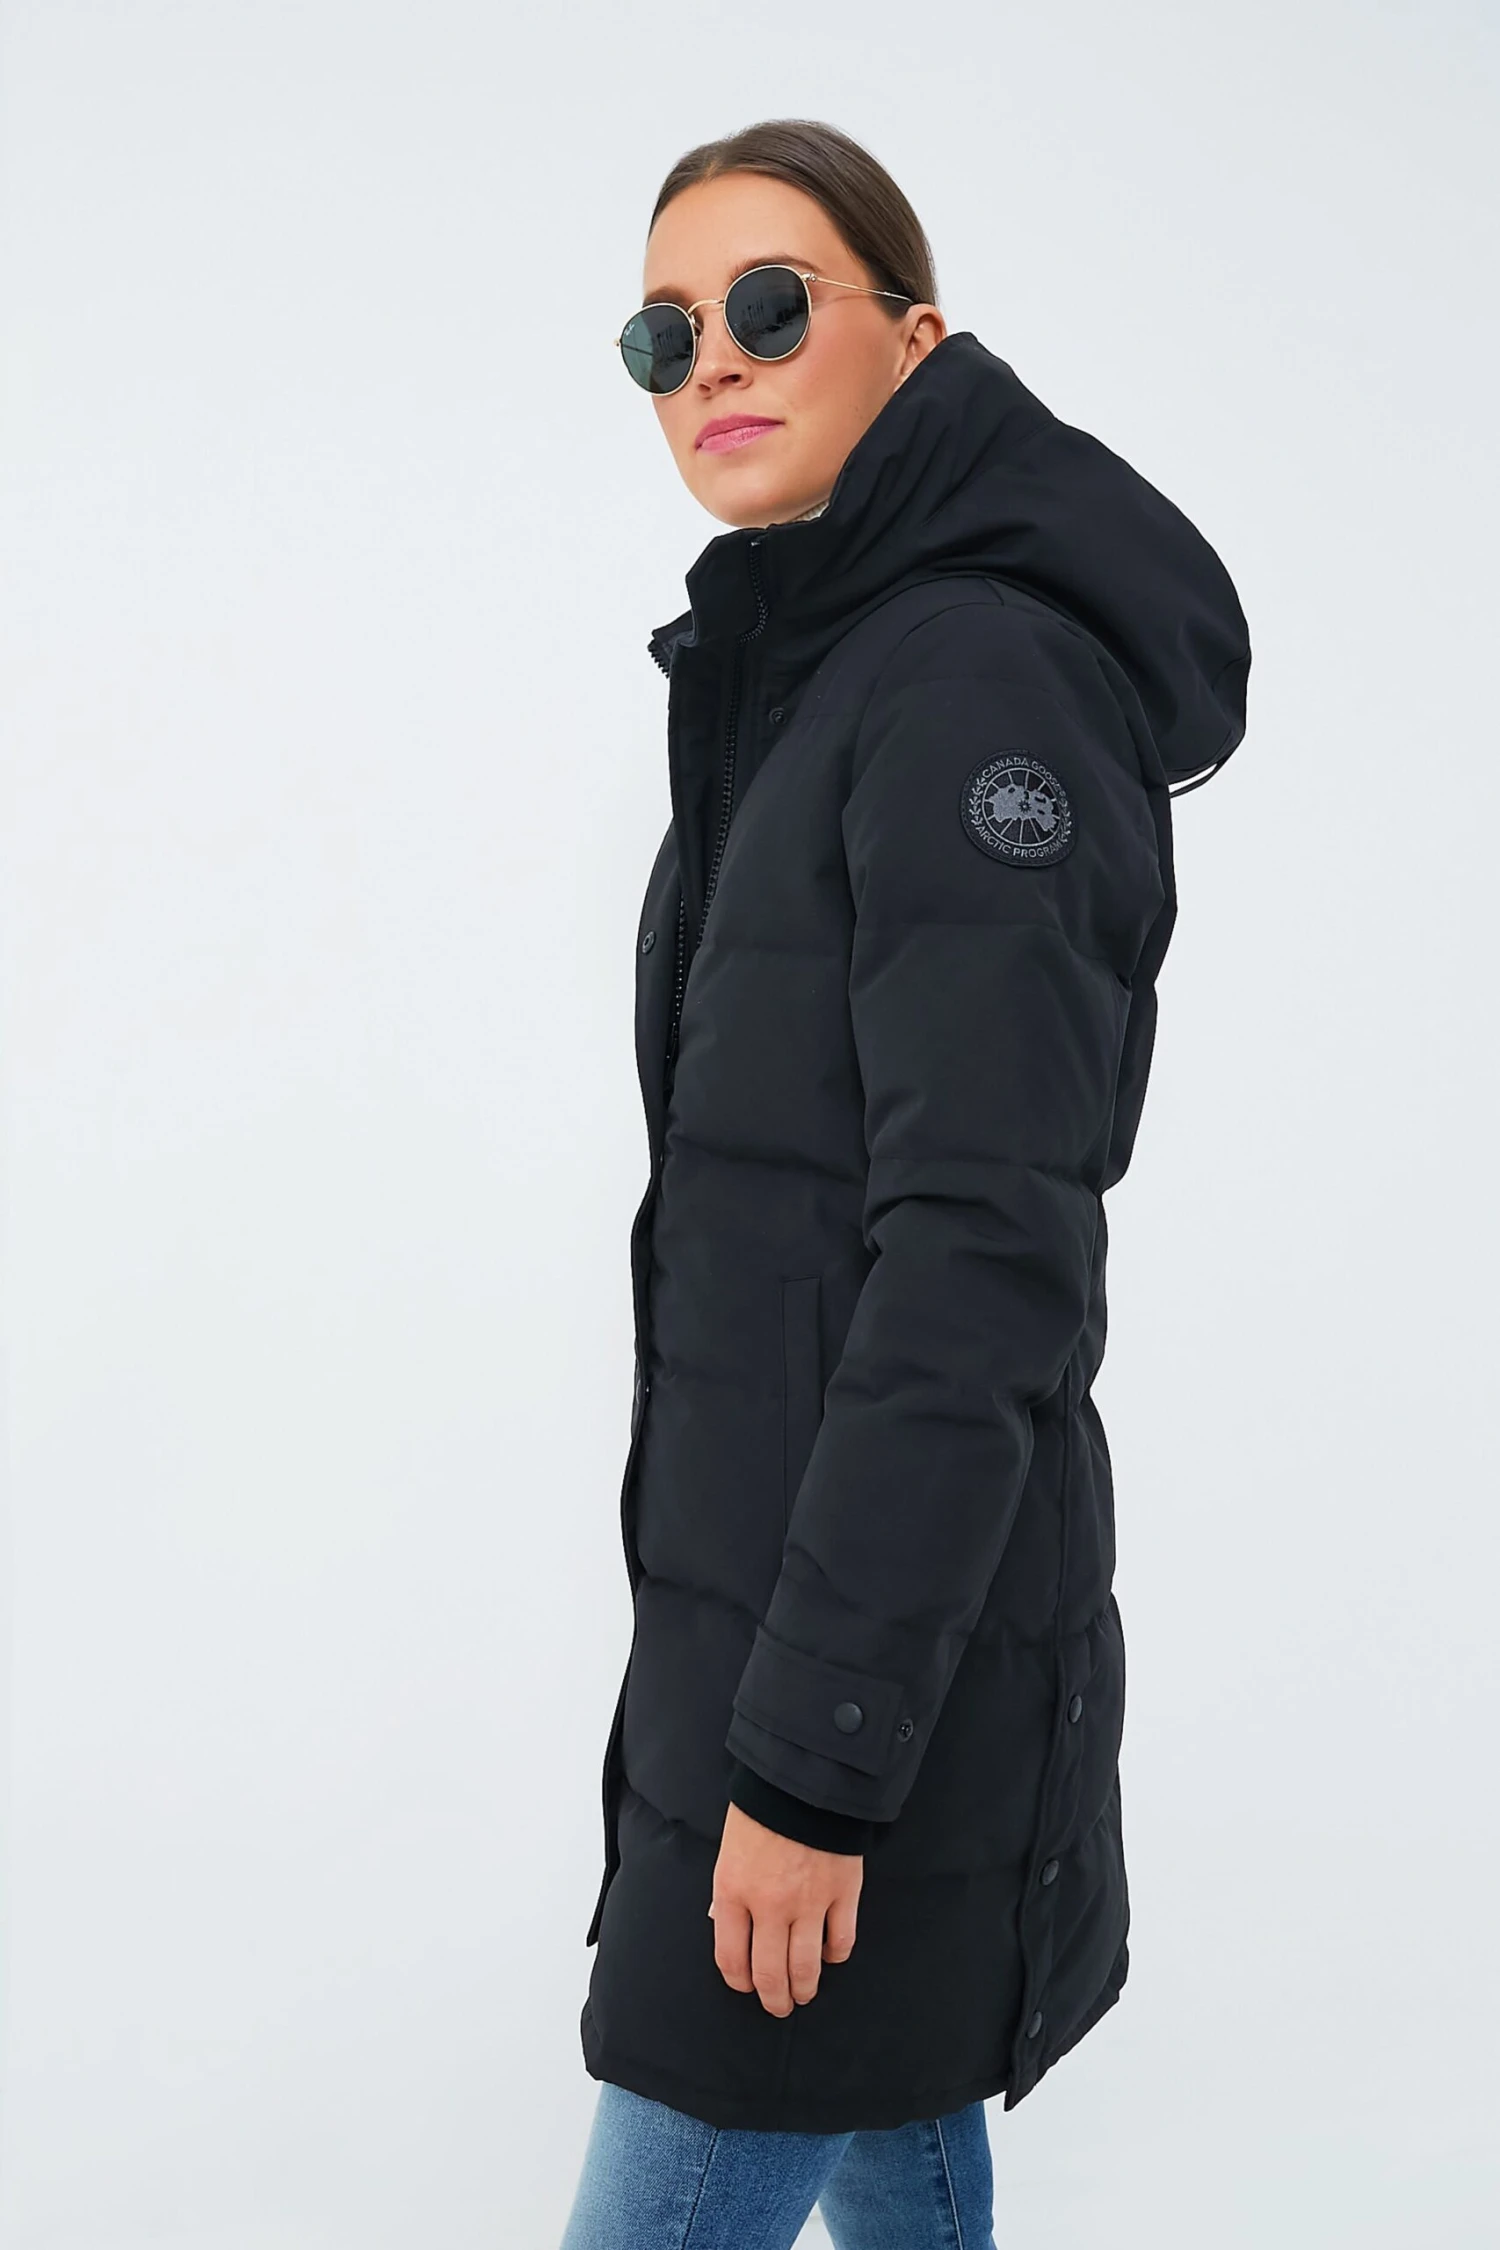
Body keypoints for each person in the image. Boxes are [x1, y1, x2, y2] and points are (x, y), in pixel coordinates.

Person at [561, 117, 1251, 2250]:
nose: (712, 360)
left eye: (772, 306)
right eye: (663, 331)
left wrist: (811, 1764)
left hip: (862, 1692)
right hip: (793, 1640)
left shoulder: (967, 685)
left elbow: (982, 1261)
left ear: (918, 338)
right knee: (896, 2144)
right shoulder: (817, 678)